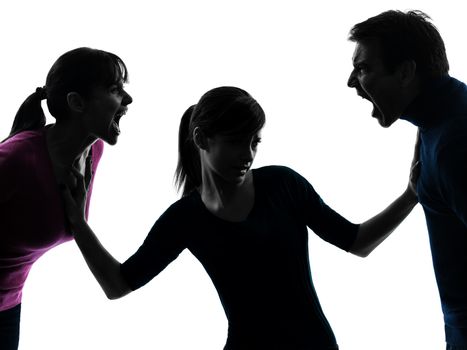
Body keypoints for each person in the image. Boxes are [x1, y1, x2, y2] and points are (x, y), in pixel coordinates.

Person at [62, 86, 418, 349]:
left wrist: (412, 195)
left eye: (255, 142)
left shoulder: (283, 184)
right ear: (202, 138)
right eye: (236, 142)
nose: (248, 154)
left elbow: (357, 242)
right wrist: (78, 225)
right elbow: (118, 284)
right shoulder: (185, 218)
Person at [347, 10, 467, 350]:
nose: (352, 82)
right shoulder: (440, 122)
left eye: (364, 68)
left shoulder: (454, 143)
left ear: (405, 72)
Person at [0, 47, 133, 350]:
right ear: (76, 102)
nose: (127, 100)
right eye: (115, 90)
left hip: (8, 304)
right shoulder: (16, 160)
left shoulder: (92, 152)